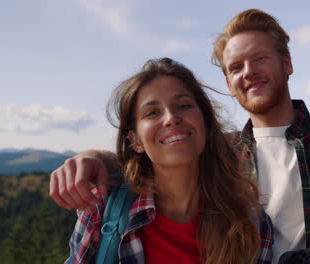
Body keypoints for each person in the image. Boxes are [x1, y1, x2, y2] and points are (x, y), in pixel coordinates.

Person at [51, 9, 310, 263]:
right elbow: (155, 154)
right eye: (235, 67)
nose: (248, 72)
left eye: (260, 58)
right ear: (229, 85)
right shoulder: (223, 154)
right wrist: (96, 158)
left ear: (287, 64)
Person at [64, 57, 273, 264]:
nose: (171, 118)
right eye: (152, 112)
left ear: (205, 122)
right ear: (135, 140)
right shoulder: (100, 211)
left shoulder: (251, 222)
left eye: (183, 105)